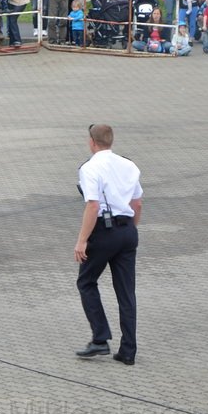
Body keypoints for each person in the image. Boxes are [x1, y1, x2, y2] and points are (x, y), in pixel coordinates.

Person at [74, 124, 143, 366]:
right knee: (126, 293)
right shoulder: (129, 165)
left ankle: (100, 338)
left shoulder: (90, 167)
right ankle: (128, 351)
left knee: (86, 281)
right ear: (110, 141)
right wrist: (130, 230)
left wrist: (82, 240)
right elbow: (138, 205)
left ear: (92, 142)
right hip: (128, 231)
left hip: (104, 232)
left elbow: (92, 205)